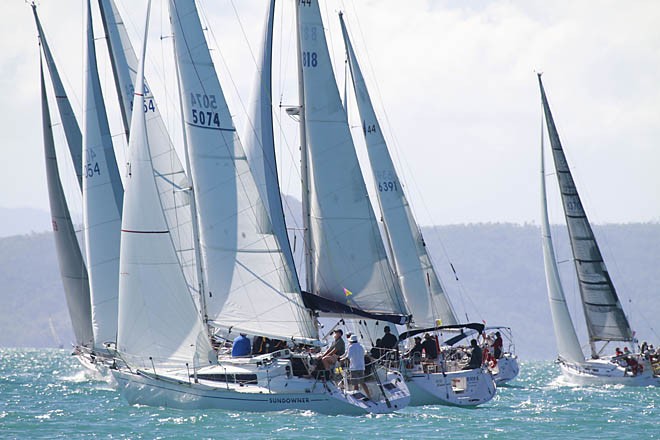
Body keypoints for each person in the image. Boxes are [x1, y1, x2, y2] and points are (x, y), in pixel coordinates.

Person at [340, 334, 371, 399]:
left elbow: (347, 357)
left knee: (355, 383)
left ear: (351, 341)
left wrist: (341, 360)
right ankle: (369, 395)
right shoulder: (361, 346)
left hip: (354, 368)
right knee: (362, 382)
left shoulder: (351, 347)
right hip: (361, 367)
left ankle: (356, 398)